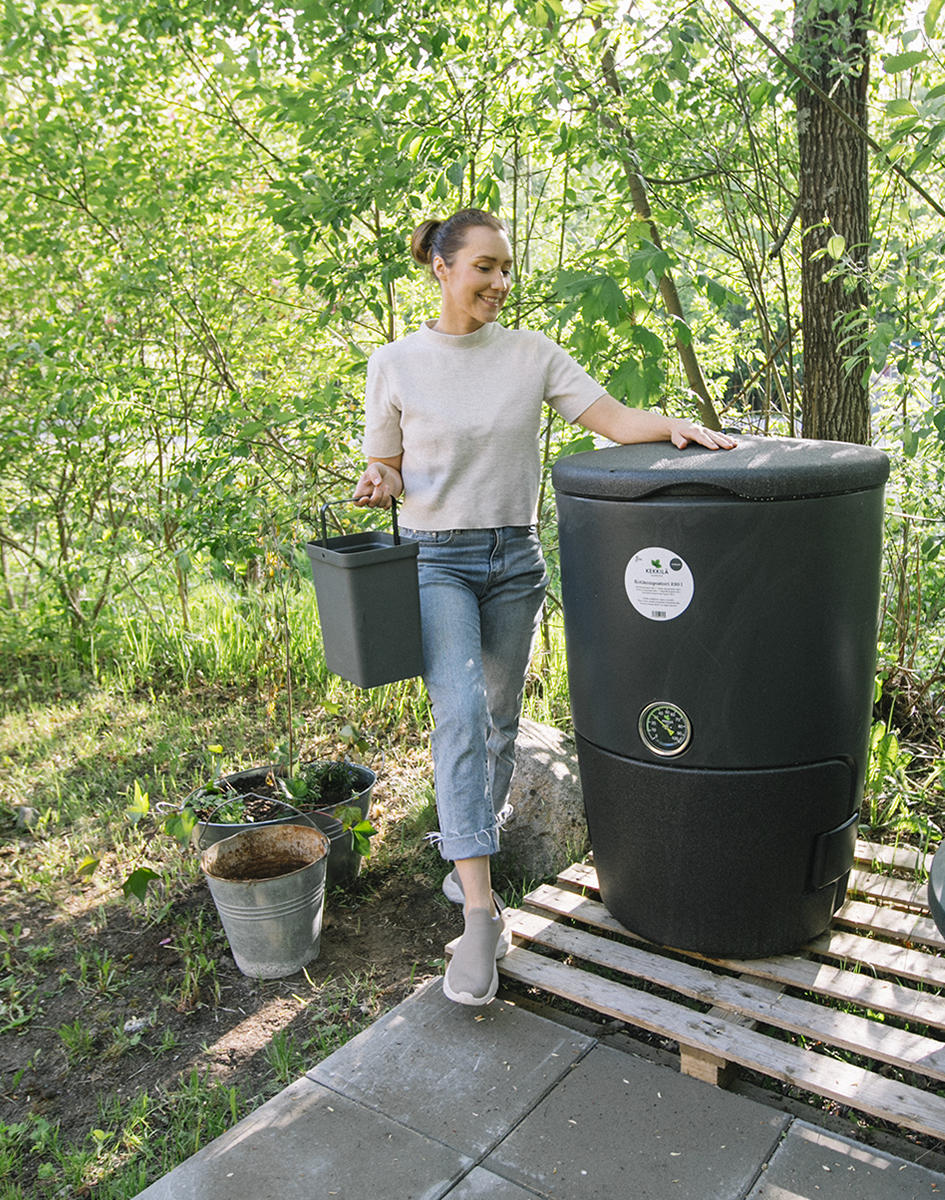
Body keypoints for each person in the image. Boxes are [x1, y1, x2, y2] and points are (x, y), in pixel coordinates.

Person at [353, 207, 735, 1006]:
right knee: (458, 713)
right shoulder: (395, 362)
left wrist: (673, 428)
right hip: (435, 561)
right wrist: (380, 481)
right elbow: (386, 465)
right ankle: (483, 916)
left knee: (495, 720)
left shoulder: (531, 354)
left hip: (515, 560)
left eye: (505, 268)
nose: (499, 282)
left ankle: (469, 855)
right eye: (485, 267)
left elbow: (611, 421)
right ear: (443, 269)